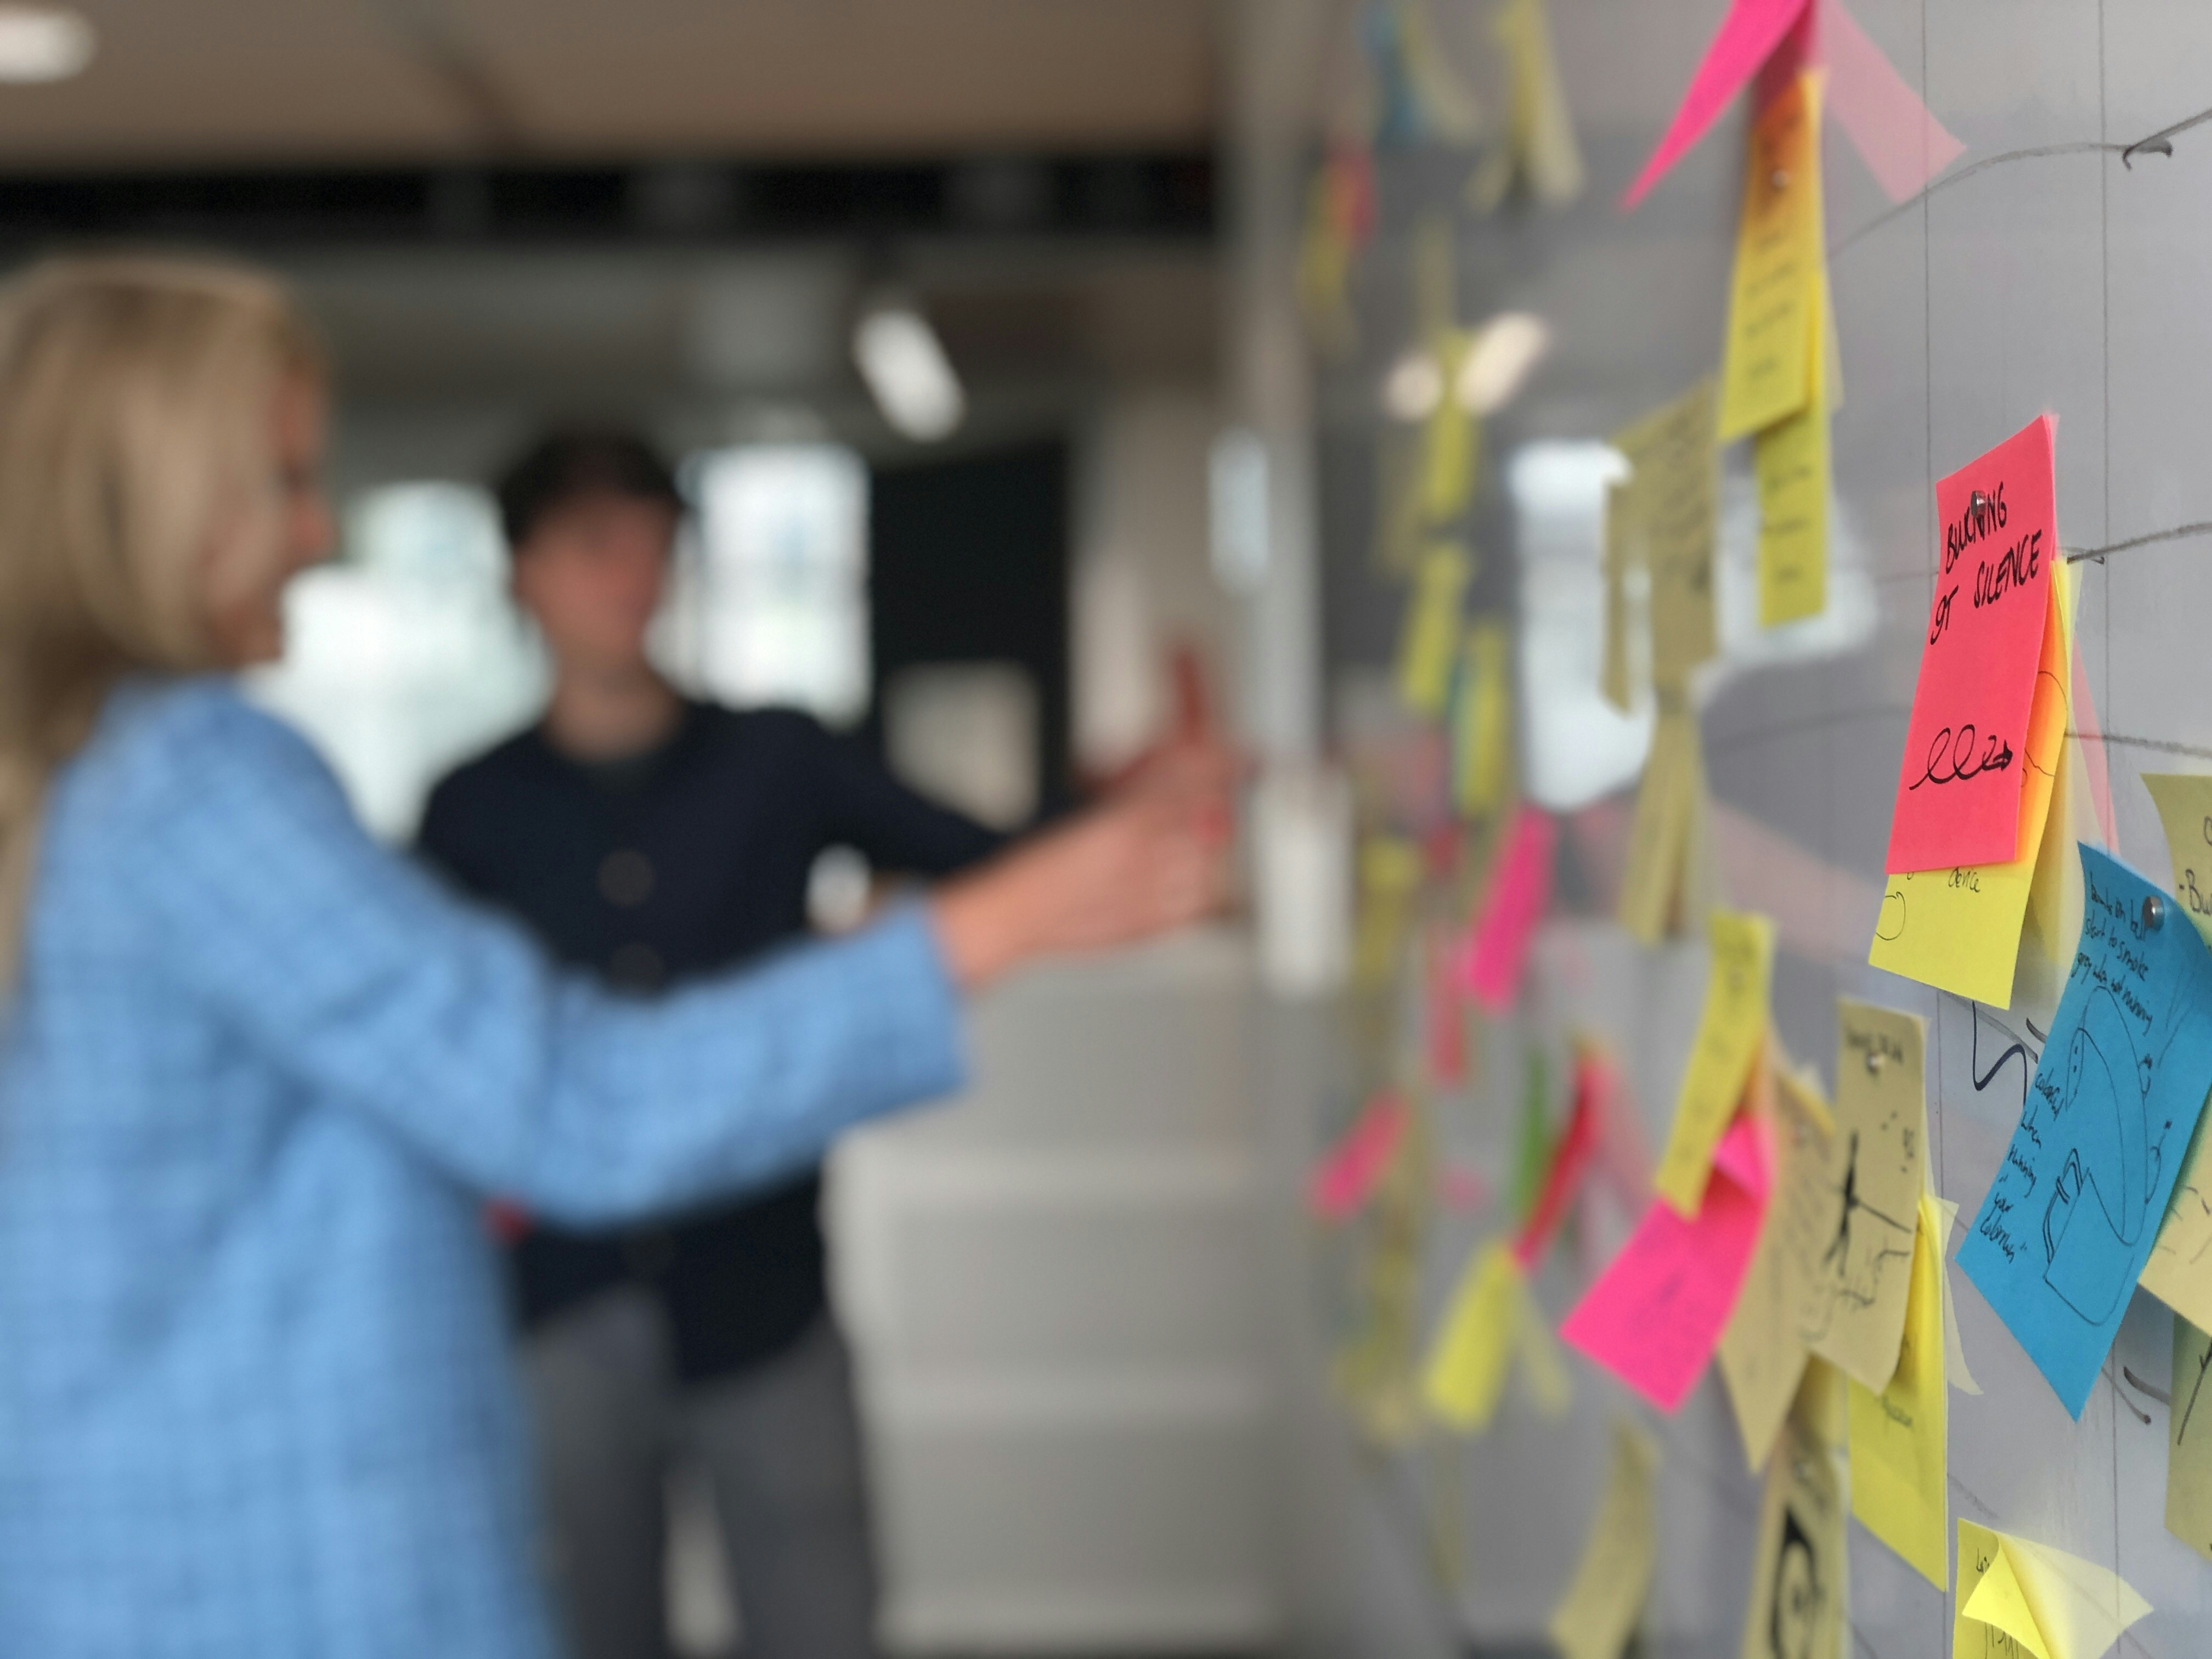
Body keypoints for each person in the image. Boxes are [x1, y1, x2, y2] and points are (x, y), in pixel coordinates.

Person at [0, 255, 1231, 1659]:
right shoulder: (201, 786)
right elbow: (574, 1103)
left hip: (735, 1307)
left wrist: (1072, 845)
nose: (315, 533)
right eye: (280, 482)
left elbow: (968, 843)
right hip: (306, 1541)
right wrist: (975, 937)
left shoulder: (72, 786)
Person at [418, 431, 1002, 1659]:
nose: (628, 574)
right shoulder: (471, 809)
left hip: (766, 1291)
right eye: (590, 544)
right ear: (521, 573)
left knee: (822, 1621)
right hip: (561, 1311)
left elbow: (981, 861)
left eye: (652, 541)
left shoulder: (778, 759)